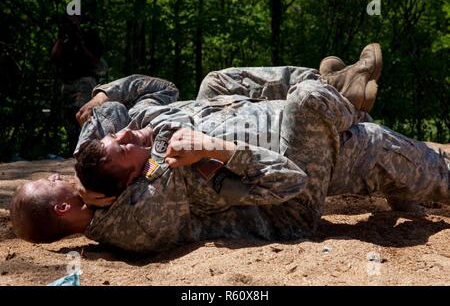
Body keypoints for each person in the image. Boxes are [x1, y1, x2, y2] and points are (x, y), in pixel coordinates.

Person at [10, 44, 450, 253]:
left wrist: (108, 95)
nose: (57, 173)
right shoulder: (144, 213)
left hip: (257, 159)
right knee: (343, 130)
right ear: (63, 208)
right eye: (51, 181)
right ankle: (334, 96)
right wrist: (204, 140)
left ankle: (333, 86)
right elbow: (278, 180)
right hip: (285, 193)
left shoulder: (95, 171)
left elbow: (154, 97)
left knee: (216, 84)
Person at [51, 14, 107, 152]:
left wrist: (80, 42)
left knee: (85, 116)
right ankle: (73, 152)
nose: (73, 20)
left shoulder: (90, 36)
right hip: (67, 82)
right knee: (69, 119)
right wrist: (62, 37)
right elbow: (54, 56)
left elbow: (95, 61)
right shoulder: (65, 37)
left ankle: (88, 150)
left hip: (85, 81)